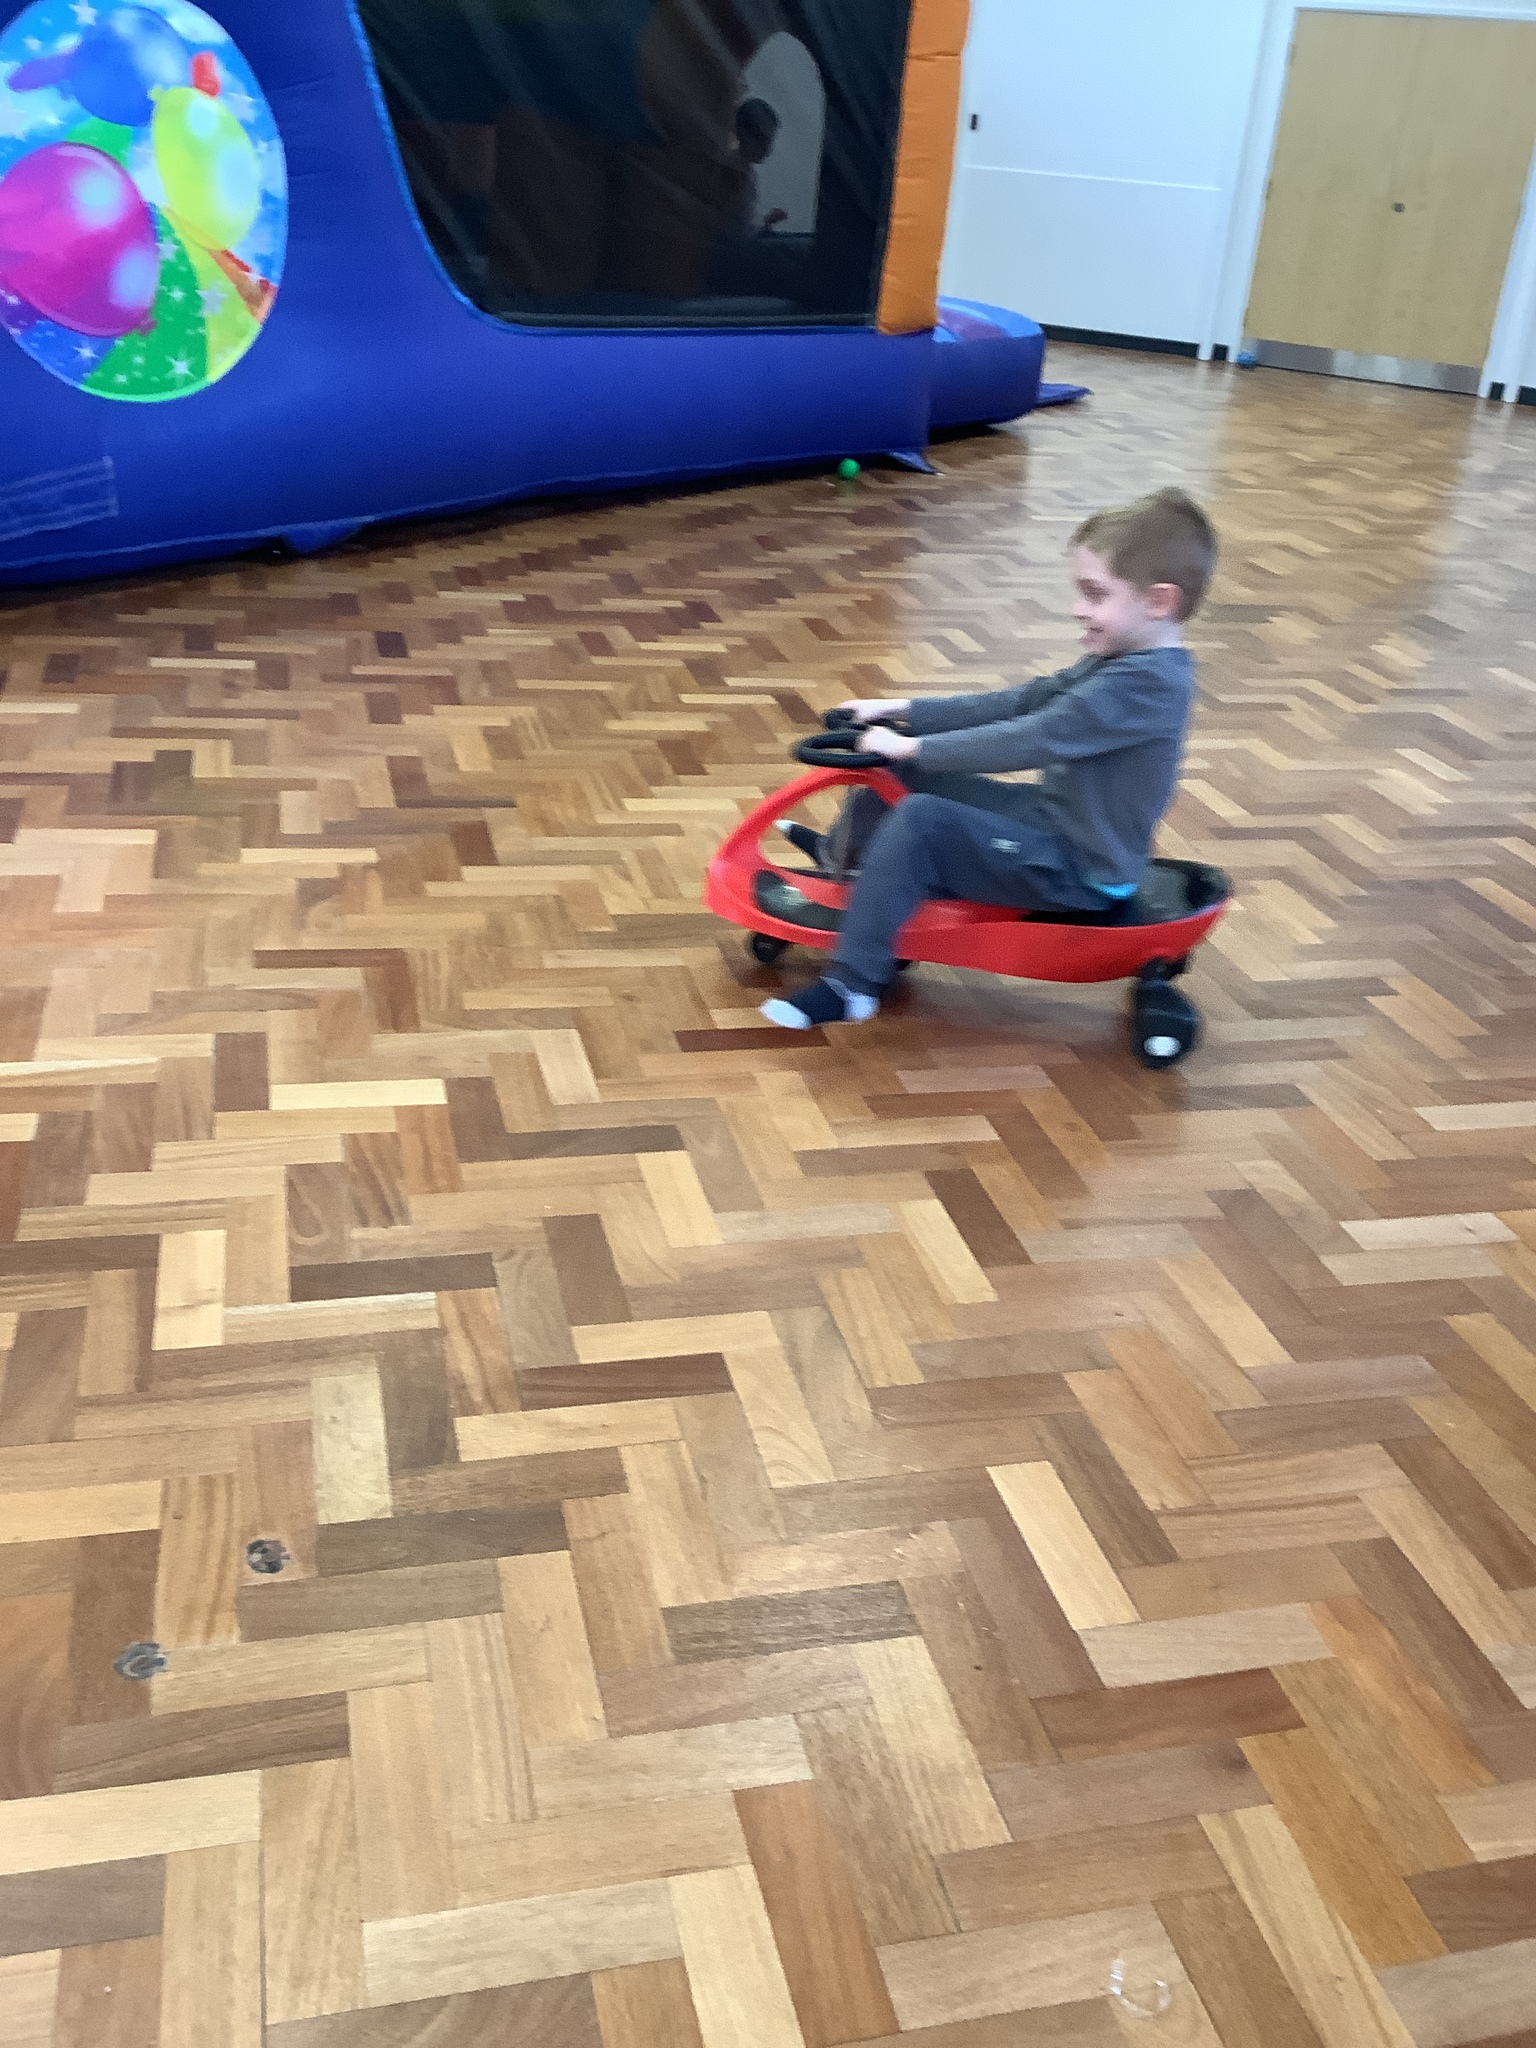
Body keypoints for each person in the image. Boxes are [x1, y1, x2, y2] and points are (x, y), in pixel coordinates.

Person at [760, 486, 1218, 1030]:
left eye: (1095, 595)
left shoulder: (1147, 687)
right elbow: (1021, 702)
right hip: (1051, 819)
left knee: (922, 819)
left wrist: (912, 743)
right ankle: (847, 865)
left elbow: (1033, 737)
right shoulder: (1119, 659)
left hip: (1077, 869)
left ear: (1159, 602)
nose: (1079, 609)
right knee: (901, 777)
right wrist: (903, 713)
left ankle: (852, 985)